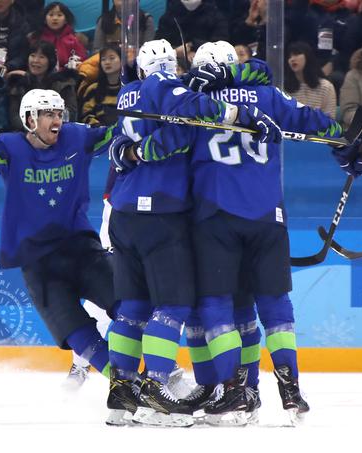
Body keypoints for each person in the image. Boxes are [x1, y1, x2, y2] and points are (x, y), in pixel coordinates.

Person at [186, 40, 362, 426]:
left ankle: (236, 390)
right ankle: (291, 390)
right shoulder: (268, 93)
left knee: (219, 306)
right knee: (274, 307)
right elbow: (316, 122)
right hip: (268, 216)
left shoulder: (192, 96)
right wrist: (346, 146)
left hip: (215, 216)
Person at [103, 38, 278, 427]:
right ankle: (155, 395)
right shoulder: (167, 89)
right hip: (162, 214)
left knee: (133, 307)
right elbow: (186, 126)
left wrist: (129, 152)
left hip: (125, 213)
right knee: (175, 306)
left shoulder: (129, 93)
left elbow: (119, 147)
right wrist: (245, 117)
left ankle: (121, 394)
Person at [0, 89, 120, 386]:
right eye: (48, 114)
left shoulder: (77, 137)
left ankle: (160, 375)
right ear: (29, 119)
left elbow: (113, 135)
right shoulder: (9, 147)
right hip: (38, 259)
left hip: (81, 248)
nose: (56, 120)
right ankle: (124, 384)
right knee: (75, 330)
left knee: (128, 304)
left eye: (59, 113)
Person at [5, 41, 79, 131]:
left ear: (50, 61)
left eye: (41, 57)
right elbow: (14, 116)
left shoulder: (63, 83)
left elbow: (71, 114)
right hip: (26, 134)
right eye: (32, 55)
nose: (36, 60)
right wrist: (33, 129)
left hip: (56, 133)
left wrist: (46, 127)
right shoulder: (20, 83)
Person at [284, 41, 337, 119]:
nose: (292, 59)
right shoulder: (285, 88)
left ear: (307, 57)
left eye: (296, 54)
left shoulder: (326, 87)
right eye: (290, 57)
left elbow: (330, 120)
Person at [30, 2, 87, 71]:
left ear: (66, 20)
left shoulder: (73, 40)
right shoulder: (37, 37)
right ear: (45, 20)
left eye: (59, 15)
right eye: (51, 15)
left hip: (66, 77)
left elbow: (81, 61)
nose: (55, 18)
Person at [79, 44, 122, 126]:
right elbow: (86, 115)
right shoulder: (93, 89)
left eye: (112, 58)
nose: (107, 62)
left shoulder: (128, 88)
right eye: (103, 59)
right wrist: (98, 127)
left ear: (122, 60)